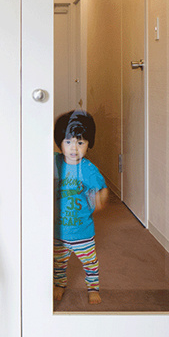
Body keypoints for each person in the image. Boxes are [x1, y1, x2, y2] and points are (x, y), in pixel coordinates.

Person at [53, 110, 109, 305]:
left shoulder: (88, 169)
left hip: (83, 231)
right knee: (58, 263)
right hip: (59, 231)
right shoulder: (54, 162)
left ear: (88, 144)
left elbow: (102, 189)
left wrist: (100, 200)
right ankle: (59, 284)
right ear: (59, 142)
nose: (73, 148)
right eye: (68, 141)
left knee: (90, 263)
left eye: (80, 142)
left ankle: (93, 288)